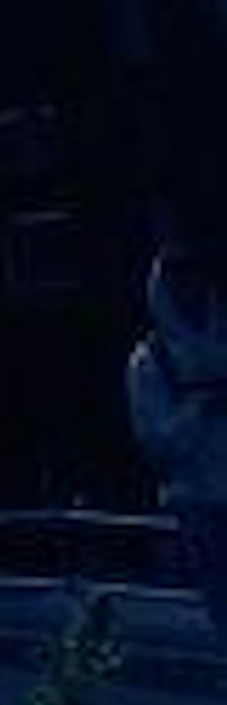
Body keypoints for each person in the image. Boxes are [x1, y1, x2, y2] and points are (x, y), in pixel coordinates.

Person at [127, 242, 227, 640]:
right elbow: (157, 443)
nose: (192, 290)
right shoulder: (149, 361)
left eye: (197, 279)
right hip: (200, 502)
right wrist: (201, 408)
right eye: (180, 282)